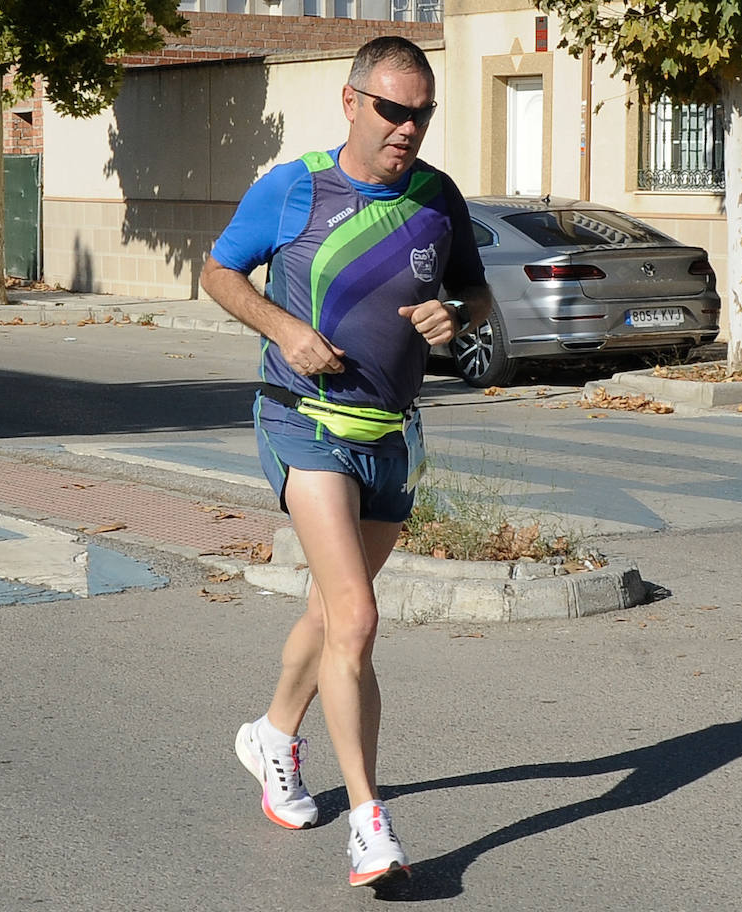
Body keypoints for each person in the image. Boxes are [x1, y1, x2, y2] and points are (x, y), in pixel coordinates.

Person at [199, 36, 493, 889]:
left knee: (334, 615)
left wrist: (455, 316)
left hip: (390, 432)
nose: (408, 128)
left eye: (423, 113)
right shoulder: (294, 188)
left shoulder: (439, 198)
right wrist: (284, 329)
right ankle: (370, 823)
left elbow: (471, 291)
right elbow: (219, 272)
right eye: (394, 110)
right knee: (358, 617)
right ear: (352, 101)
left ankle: (272, 735)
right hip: (301, 421)